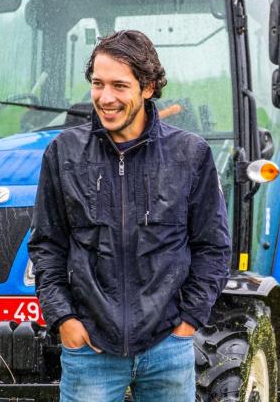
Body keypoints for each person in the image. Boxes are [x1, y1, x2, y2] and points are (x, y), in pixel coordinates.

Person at [28, 30, 231, 401]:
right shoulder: (64, 154)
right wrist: (64, 320)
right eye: (98, 84)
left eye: (119, 86)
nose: (106, 98)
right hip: (90, 348)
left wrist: (188, 322)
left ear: (148, 87)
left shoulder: (190, 155)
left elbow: (213, 247)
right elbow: (47, 245)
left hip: (167, 347)